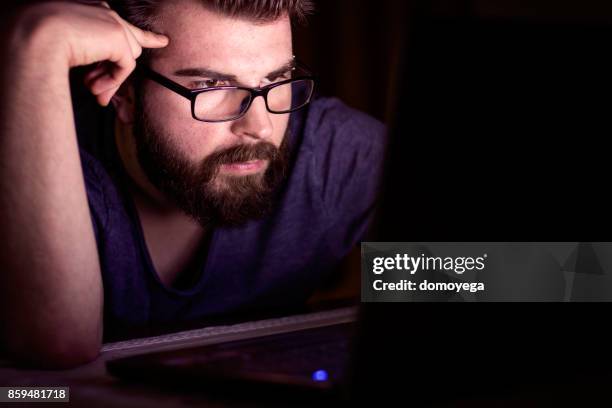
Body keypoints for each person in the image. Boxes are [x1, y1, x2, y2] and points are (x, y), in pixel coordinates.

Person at [0, 0, 386, 368]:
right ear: (124, 93)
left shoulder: (329, 155)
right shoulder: (49, 162)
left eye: (277, 78)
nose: (259, 127)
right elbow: (56, 347)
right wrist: (36, 46)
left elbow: (443, 280)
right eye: (212, 86)